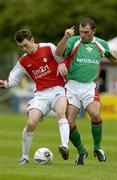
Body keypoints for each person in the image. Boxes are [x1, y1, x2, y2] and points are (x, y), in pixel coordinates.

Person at [0, 29, 70, 164]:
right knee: (31, 123)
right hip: (41, 94)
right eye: (21, 47)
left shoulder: (48, 47)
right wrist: (4, 83)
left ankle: (64, 146)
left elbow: (62, 59)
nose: (24, 49)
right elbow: (12, 80)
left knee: (61, 112)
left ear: (32, 40)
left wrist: (62, 64)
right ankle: (25, 157)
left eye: (26, 45)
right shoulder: (23, 61)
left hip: (58, 89)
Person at [55, 17, 117, 165]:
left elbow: (112, 57)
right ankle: (82, 151)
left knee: (96, 115)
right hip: (72, 87)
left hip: (89, 87)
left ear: (93, 31)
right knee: (69, 123)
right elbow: (59, 53)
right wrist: (65, 37)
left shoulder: (101, 44)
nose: (83, 35)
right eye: (81, 31)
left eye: (86, 32)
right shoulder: (73, 41)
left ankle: (97, 148)